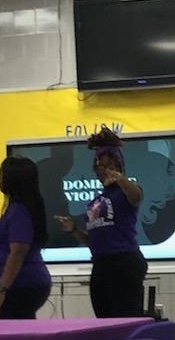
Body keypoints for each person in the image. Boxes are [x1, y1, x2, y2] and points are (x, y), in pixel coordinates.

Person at [56, 128, 146, 318]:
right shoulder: (96, 201)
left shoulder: (125, 192)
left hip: (124, 261)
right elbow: (94, 241)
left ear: (119, 166)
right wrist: (73, 229)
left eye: (109, 166)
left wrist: (120, 178)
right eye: (100, 166)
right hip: (101, 263)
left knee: (124, 320)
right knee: (103, 320)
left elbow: (137, 196)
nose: (104, 170)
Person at [0, 156, 51, 319]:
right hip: (19, 286)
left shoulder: (19, 211)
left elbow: (18, 252)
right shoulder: (16, 209)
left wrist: (1, 291)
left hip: (20, 286)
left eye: (1, 174)